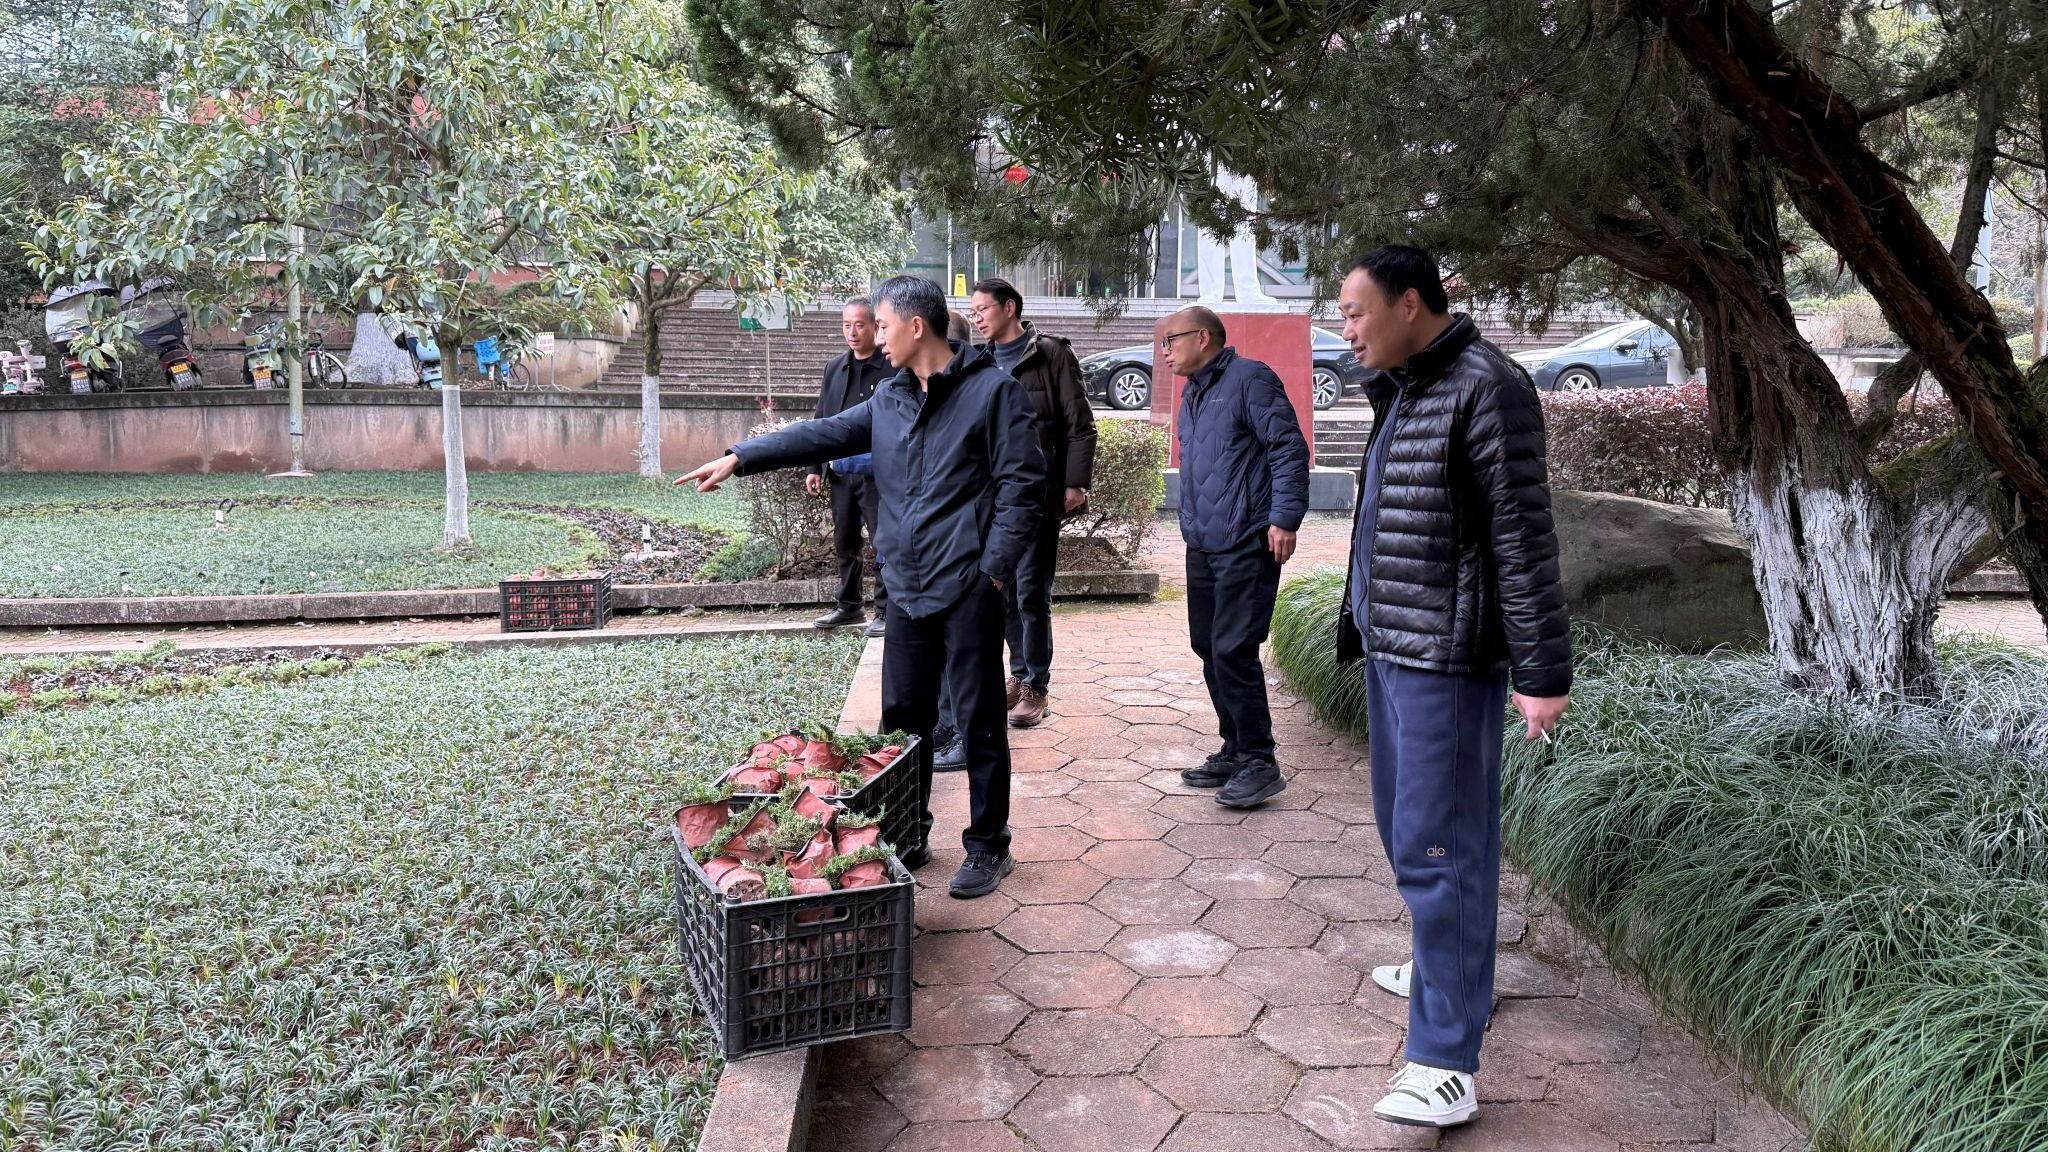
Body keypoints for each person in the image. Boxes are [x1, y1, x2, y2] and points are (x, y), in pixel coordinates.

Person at [677, 276, 1045, 899]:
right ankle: (908, 833)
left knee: (980, 719)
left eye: (882, 324)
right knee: (902, 726)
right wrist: (741, 456)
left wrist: (993, 570)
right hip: (904, 585)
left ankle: (988, 844)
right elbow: (821, 433)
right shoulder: (889, 399)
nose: (875, 335)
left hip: (967, 586)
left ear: (916, 326)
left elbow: (1023, 485)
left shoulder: (992, 392)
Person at [1334, 245, 1571, 1129]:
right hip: (1395, 647)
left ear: (1408, 305)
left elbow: (1522, 535)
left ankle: (1444, 1061)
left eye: (1355, 312)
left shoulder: (1487, 387)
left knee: (1443, 852)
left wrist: (1541, 672)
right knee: (1411, 838)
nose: (1345, 331)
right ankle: (1450, 968)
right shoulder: (1409, 384)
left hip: (1448, 659)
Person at [1164, 305, 1309, 810]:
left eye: (1171, 340)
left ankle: (1260, 762)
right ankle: (1235, 748)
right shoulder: (1195, 392)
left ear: (1202, 338)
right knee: (1207, 646)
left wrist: (1285, 517)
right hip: (1203, 542)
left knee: (1233, 649)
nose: (1166, 352)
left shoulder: (1250, 379)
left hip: (1247, 540)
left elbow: (1287, 448)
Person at [807, 298, 892, 636]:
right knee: (845, 540)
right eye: (846, 325)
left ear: (874, 326)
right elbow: (822, 418)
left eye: (859, 325)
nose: (852, 332)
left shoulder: (891, 366)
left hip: (878, 474)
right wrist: (815, 466)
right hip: (841, 473)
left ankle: (886, 610)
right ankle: (849, 605)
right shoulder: (835, 367)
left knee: (883, 543)